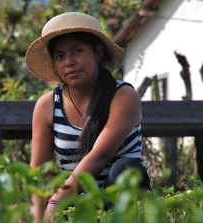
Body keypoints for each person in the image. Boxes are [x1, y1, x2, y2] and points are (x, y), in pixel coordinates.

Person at [25, 12, 153, 222]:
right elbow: (39, 174)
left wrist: (56, 202)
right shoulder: (47, 105)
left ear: (98, 53)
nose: (69, 62)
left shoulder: (123, 96)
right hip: (77, 207)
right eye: (60, 56)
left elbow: (99, 156)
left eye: (77, 51)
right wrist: (39, 218)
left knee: (125, 168)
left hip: (126, 206)